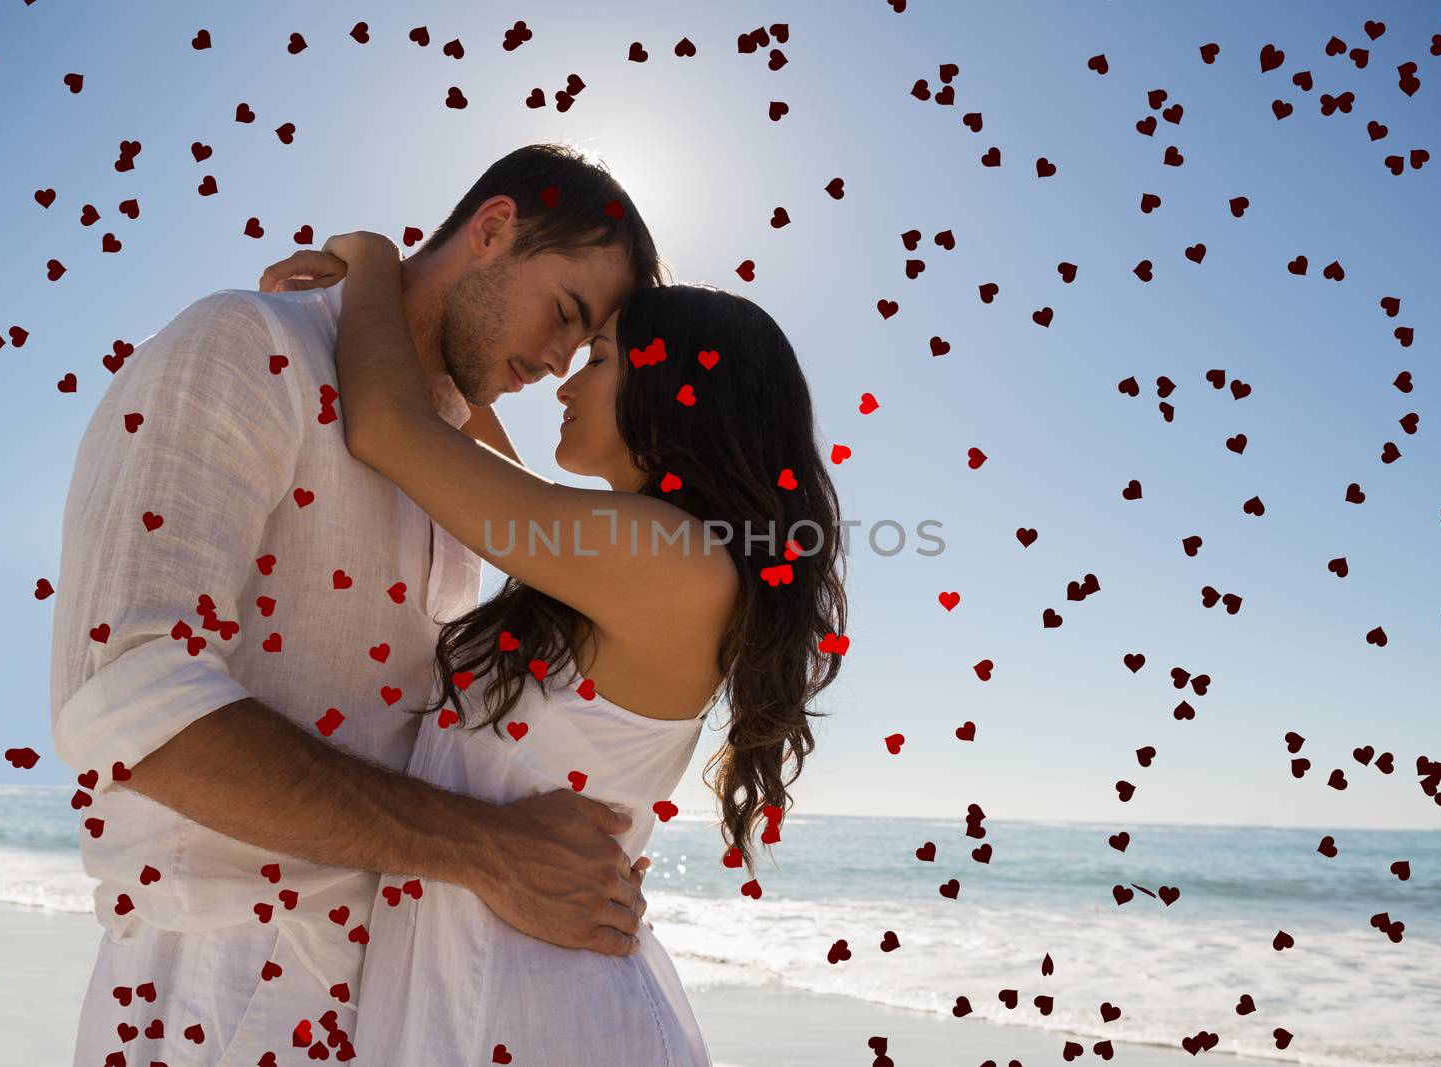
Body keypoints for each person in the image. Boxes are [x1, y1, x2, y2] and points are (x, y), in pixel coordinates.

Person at [49, 143, 664, 1066]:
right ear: (492, 228)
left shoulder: (449, 464)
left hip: (404, 993)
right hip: (226, 987)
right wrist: (496, 850)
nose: (554, 361)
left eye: (584, 347)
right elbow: (129, 700)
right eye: (564, 313)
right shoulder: (247, 344)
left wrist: (564, 855)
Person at [252, 228, 848, 1064]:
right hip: (492, 987)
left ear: (675, 391)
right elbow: (468, 446)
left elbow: (390, 426)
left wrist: (378, 258)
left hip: (537, 1009)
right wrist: (421, 310)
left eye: (600, 356)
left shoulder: (671, 560)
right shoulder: (640, 553)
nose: (568, 376)